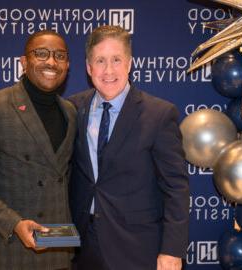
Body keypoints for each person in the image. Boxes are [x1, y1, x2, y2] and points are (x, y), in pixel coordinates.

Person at [68, 25, 189, 270]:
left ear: (130, 64)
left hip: (137, 248)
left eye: (116, 60)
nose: (108, 70)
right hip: (82, 247)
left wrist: (172, 250)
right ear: (89, 67)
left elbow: (176, 187)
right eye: (100, 61)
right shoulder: (72, 108)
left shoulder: (159, 114)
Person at [0, 30, 76, 270]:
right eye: (41, 54)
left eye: (59, 55)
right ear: (24, 62)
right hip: (12, 254)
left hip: (58, 252)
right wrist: (14, 223)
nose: (51, 62)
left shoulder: (71, 112)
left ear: (68, 64)